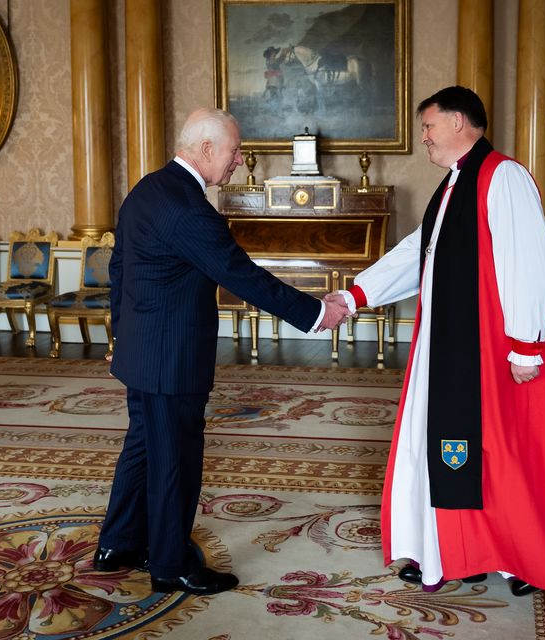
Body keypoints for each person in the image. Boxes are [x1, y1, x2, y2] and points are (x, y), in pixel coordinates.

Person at [327, 86, 545, 595]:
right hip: (445, 345)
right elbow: (416, 253)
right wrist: (356, 295)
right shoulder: (452, 186)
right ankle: (450, 552)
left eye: (428, 126)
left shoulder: (501, 177)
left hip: (495, 351)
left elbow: (530, 261)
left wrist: (527, 346)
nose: (422, 137)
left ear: (459, 122)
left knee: (504, 453)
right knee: (450, 449)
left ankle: (521, 557)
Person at [94, 107, 351, 596]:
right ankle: (169, 565)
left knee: (143, 447)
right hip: (172, 363)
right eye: (234, 151)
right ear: (207, 148)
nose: (238, 160)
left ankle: (118, 545)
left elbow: (119, 273)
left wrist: (121, 341)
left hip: (143, 355)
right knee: (175, 462)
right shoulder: (188, 209)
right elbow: (243, 275)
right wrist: (315, 314)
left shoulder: (147, 189)